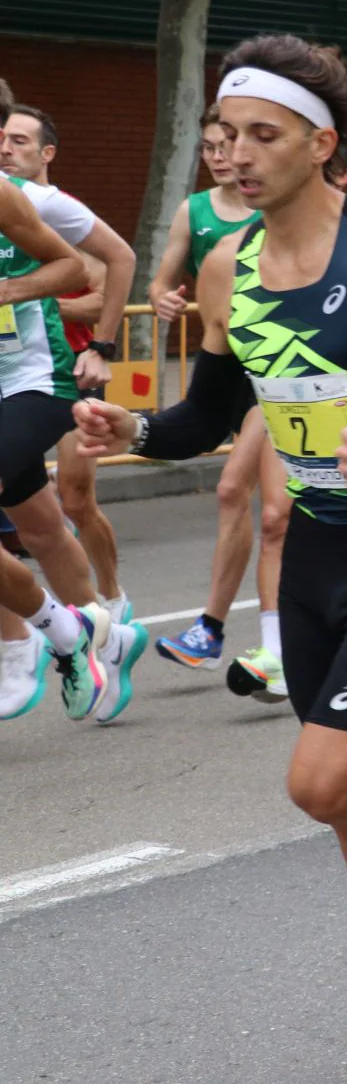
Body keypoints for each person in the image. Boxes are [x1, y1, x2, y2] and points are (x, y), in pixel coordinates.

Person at [74, 34, 347, 1070]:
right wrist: (135, 432)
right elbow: (212, 412)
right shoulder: (227, 262)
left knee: (325, 781)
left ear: (321, 143)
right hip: (320, 556)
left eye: (259, 134)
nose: (230, 154)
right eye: (219, 135)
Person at [147, 108, 290, 680]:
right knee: (252, 501)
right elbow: (161, 279)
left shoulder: (286, 217)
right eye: (209, 146)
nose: (220, 154)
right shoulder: (198, 214)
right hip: (225, 361)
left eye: (227, 143)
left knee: (248, 495)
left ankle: (259, 639)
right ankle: (218, 630)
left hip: (278, 374)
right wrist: (162, 298)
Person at [0, 176, 134, 726]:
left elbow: (76, 268)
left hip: (36, 379)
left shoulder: (14, 196)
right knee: (42, 531)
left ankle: (35, 640)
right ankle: (107, 640)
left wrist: (7, 290)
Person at [0, 105, 139, 622]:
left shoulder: (47, 204)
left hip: (67, 369)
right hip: (11, 375)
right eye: (4, 139)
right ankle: (89, 628)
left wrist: (102, 347)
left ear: (45, 153)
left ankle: (111, 600)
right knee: (43, 520)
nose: (8, 149)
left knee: (77, 497)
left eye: (19, 140)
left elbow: (117, 262)